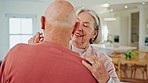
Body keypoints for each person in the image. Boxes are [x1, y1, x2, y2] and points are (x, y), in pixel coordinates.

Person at [0, 1, 98, 83]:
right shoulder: (89, 71)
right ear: (75, 28)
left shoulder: (14, 54)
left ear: (42, 22)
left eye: (86, 25)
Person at [29, 7, 120, 83]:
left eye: (85, 25)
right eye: (76, 23)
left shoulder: (103, 60)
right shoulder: (57, 49)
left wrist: (105, 79)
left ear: (94, 34)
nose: (79, 28)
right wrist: (35, 50)